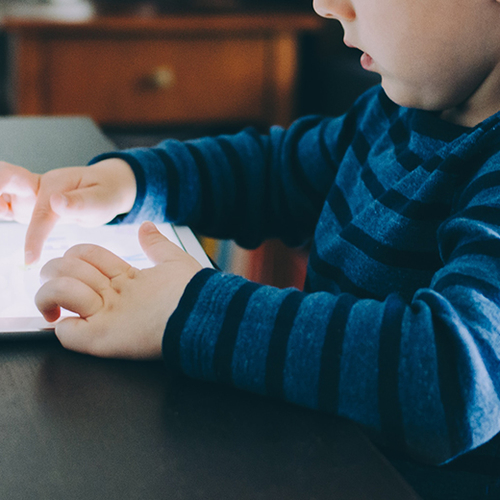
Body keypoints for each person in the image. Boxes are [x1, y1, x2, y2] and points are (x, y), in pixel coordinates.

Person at [1, 0, 500, 497]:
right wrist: (131, 182)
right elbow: (276, 172)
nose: (327, 5)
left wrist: (187, 309)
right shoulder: (396, 113)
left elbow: (451, 376)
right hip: (328, 458)